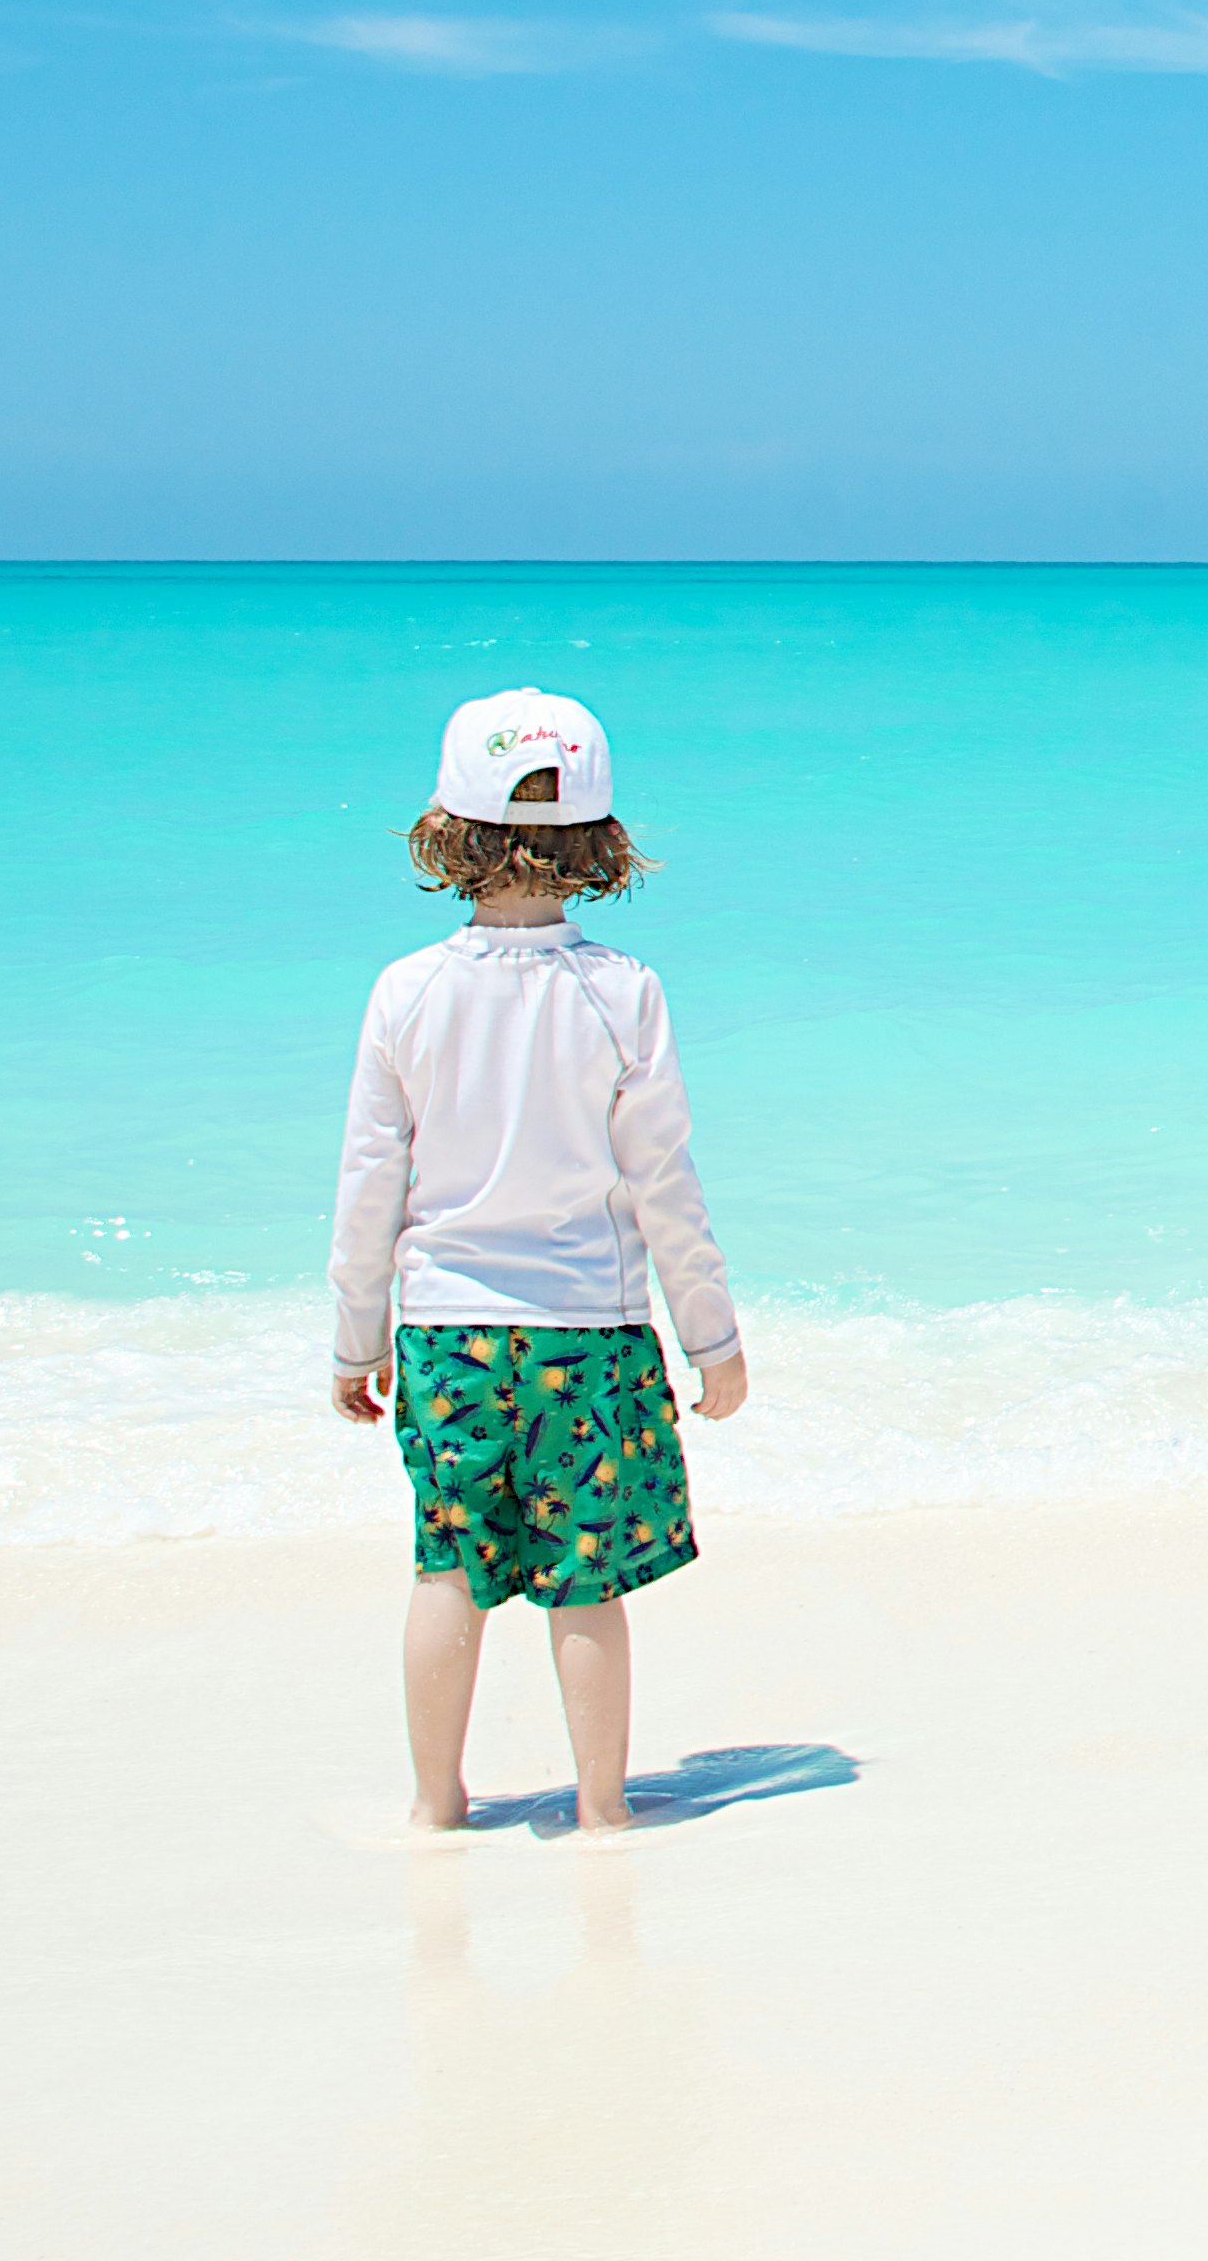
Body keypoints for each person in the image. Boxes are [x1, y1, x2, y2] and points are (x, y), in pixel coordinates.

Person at [330, 687, 748, 1834]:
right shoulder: (622, 992)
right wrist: (710, 1337)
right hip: (594, 1337)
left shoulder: (404, 992)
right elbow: (663, 1180)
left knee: (446, 1569)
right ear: (600, 842)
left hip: (447, 1335)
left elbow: (373, 1183)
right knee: (587, 1581)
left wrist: (351, 1339)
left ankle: (433, 1803)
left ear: (447, 831)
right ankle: (603, 1807)